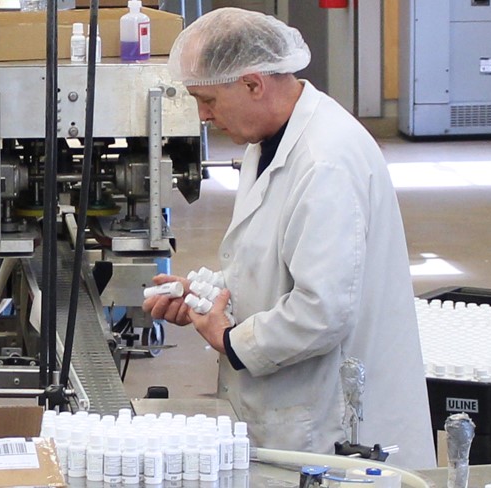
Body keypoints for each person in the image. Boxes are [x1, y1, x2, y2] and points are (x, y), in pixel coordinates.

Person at [143, 7, 436, 469]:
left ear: (253, 84)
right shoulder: (268, 141)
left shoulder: (325, 162)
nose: (202, 115)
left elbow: (322, 311)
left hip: (331, 418)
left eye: (209, 100)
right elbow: (271, 263)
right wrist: (204, 295)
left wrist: (232, 340)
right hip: (294, 404)